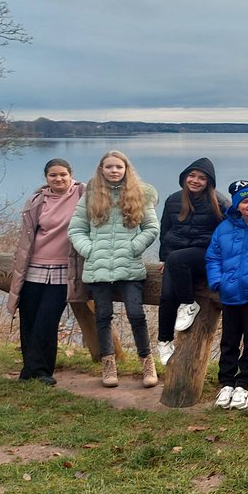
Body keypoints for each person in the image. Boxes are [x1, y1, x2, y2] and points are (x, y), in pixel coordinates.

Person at [67, 151, 160, 389]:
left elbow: (151, 228)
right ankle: (108, 364)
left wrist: (133, 247)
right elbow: (76, 230)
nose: (114, 171)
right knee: (103, 316)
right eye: (109, 167)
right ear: (102, 170)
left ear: (126, 169)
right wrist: (90, 250)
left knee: (136, 314)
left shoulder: (140, 194)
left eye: (119, 167)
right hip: (97, 267)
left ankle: (147, 362)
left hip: (129, 266)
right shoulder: (90, 196)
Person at [8, 158, 86, 385]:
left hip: (65, 268)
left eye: (63, 174)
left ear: (71, 174)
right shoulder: (36, 200)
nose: (58, 179)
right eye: (53, 175)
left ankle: (37, 371)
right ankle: (34, 370)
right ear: (46, 178)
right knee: (29, 319)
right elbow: (27, 236)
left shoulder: (83, 195)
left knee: (47, 320)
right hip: (33, 267)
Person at [205, 180, 248, 410]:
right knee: (229, 340)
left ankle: (243, 383)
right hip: (230, 293)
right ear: (237, 204)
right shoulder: (224, 228)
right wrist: (217, 281)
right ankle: (226, 382)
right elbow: (213, 257)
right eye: (245, 201)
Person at [157, 157, 228, 365]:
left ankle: (189, 304)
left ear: (209, 182)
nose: (195, 180)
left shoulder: (219, 202)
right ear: (185, 177)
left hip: (204, 256)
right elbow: (165, 230)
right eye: (192, 175)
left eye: (201, 178)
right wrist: (163, 258)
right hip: (177, 259)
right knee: (167, 296)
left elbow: (229, 233)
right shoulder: (174, 199)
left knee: (177, 258)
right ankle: (164, 341)